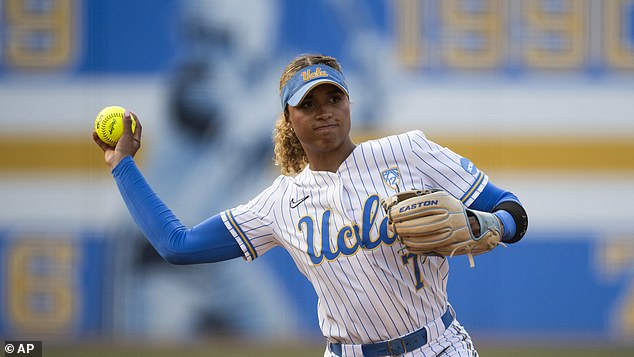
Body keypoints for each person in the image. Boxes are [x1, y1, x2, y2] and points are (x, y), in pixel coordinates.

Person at [92, 53, 528, 357]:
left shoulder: (409, 152)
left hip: (439, 347)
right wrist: (123, 166)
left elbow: (512, 210)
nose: (324, 111)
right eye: (308, 103)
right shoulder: (280, 204)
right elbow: (177, 245)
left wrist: (488, 223)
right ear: (288, 119)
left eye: (333, 98)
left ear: (349, 104)